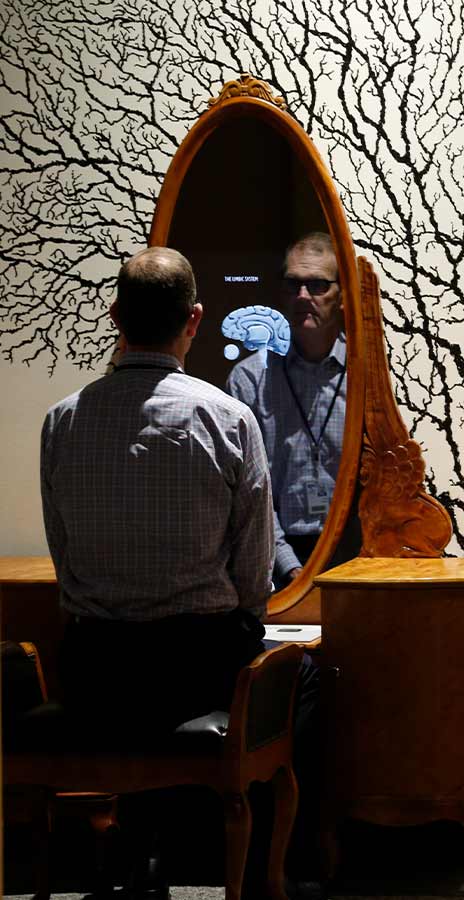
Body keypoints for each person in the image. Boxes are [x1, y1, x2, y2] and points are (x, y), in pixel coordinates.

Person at [40, 246, 276, 894]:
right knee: (298, 685)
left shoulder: (61, 423)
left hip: (96, 669)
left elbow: (64, 561)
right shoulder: (229, 418)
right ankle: (236, 870)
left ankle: (133, 846)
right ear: (194, 319)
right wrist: (242, 618)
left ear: (115, 314)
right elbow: (256, 574)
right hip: (193, 667)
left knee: (128, 693)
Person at [226, 232, 346, 587]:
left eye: (318, 285)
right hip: (277, 557)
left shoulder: (367, 375)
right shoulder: (250, 379)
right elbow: (248, 492)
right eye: (293, 284)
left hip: (355, 550)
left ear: (343, 296)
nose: (303, 296)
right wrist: (290, 566)